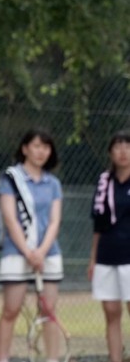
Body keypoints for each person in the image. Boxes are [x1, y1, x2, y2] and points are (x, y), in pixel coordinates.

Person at [0, 128, 63, 362]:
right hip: (16, 253)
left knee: (48, 312)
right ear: (25, 149)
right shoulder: (10, 179)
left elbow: (55, 221)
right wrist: (28, 252)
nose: (41, 151)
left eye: (45, 147)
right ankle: (2, 358)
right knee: (11, 310)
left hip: (49, 255)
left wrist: (41, 252)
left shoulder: (53, 183)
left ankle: (52, 358)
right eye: (36, 146)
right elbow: (10, 218)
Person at [88, 130, 130, 362]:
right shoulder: (104, 182)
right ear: (111, 152)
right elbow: (98, 224)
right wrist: (93, 258)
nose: (123, 151)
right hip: (107, 256)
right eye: (118, 146)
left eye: (128, 146)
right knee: (112, 313)